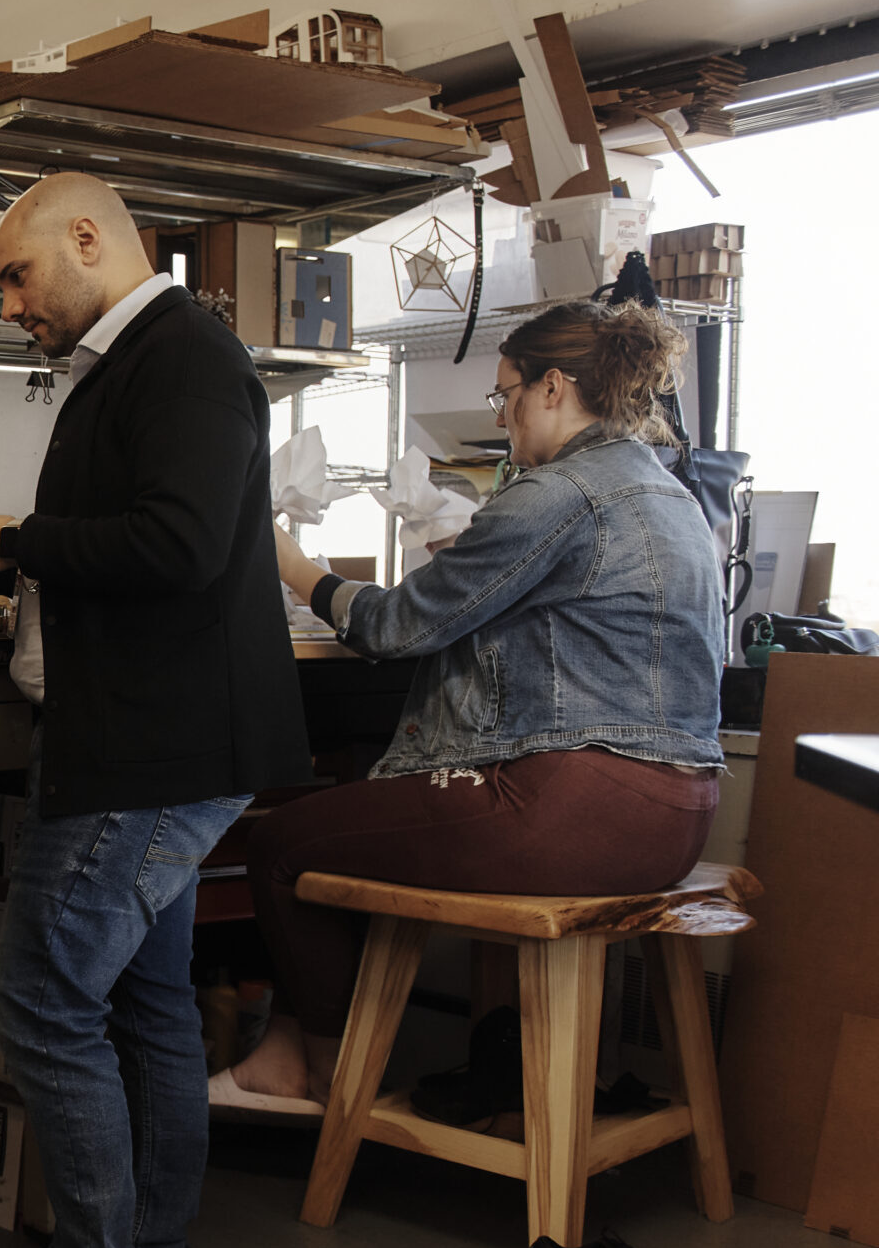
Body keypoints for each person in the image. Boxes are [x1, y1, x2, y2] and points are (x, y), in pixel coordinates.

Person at [0, 172, 310, 1248]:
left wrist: (16, 541)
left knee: (41, 997)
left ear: (88, 238)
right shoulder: (134, 362)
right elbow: (148, 542)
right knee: (146, 1006)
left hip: (152, 752)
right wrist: (11, 565)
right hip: (148, 737)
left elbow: (182, 542)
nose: (8, 303)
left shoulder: (182, 354)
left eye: (17, 274)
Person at [211, 300, 724, 1116]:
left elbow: (392, 626)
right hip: (678, 818)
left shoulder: (557, 494)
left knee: (281, 844)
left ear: (553, 387)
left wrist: (289, 562)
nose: (504, 415)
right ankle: (300, 1052)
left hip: (576, 812)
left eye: (506, 394)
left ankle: (308, 1068)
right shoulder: (671, 496)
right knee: (361, 831)